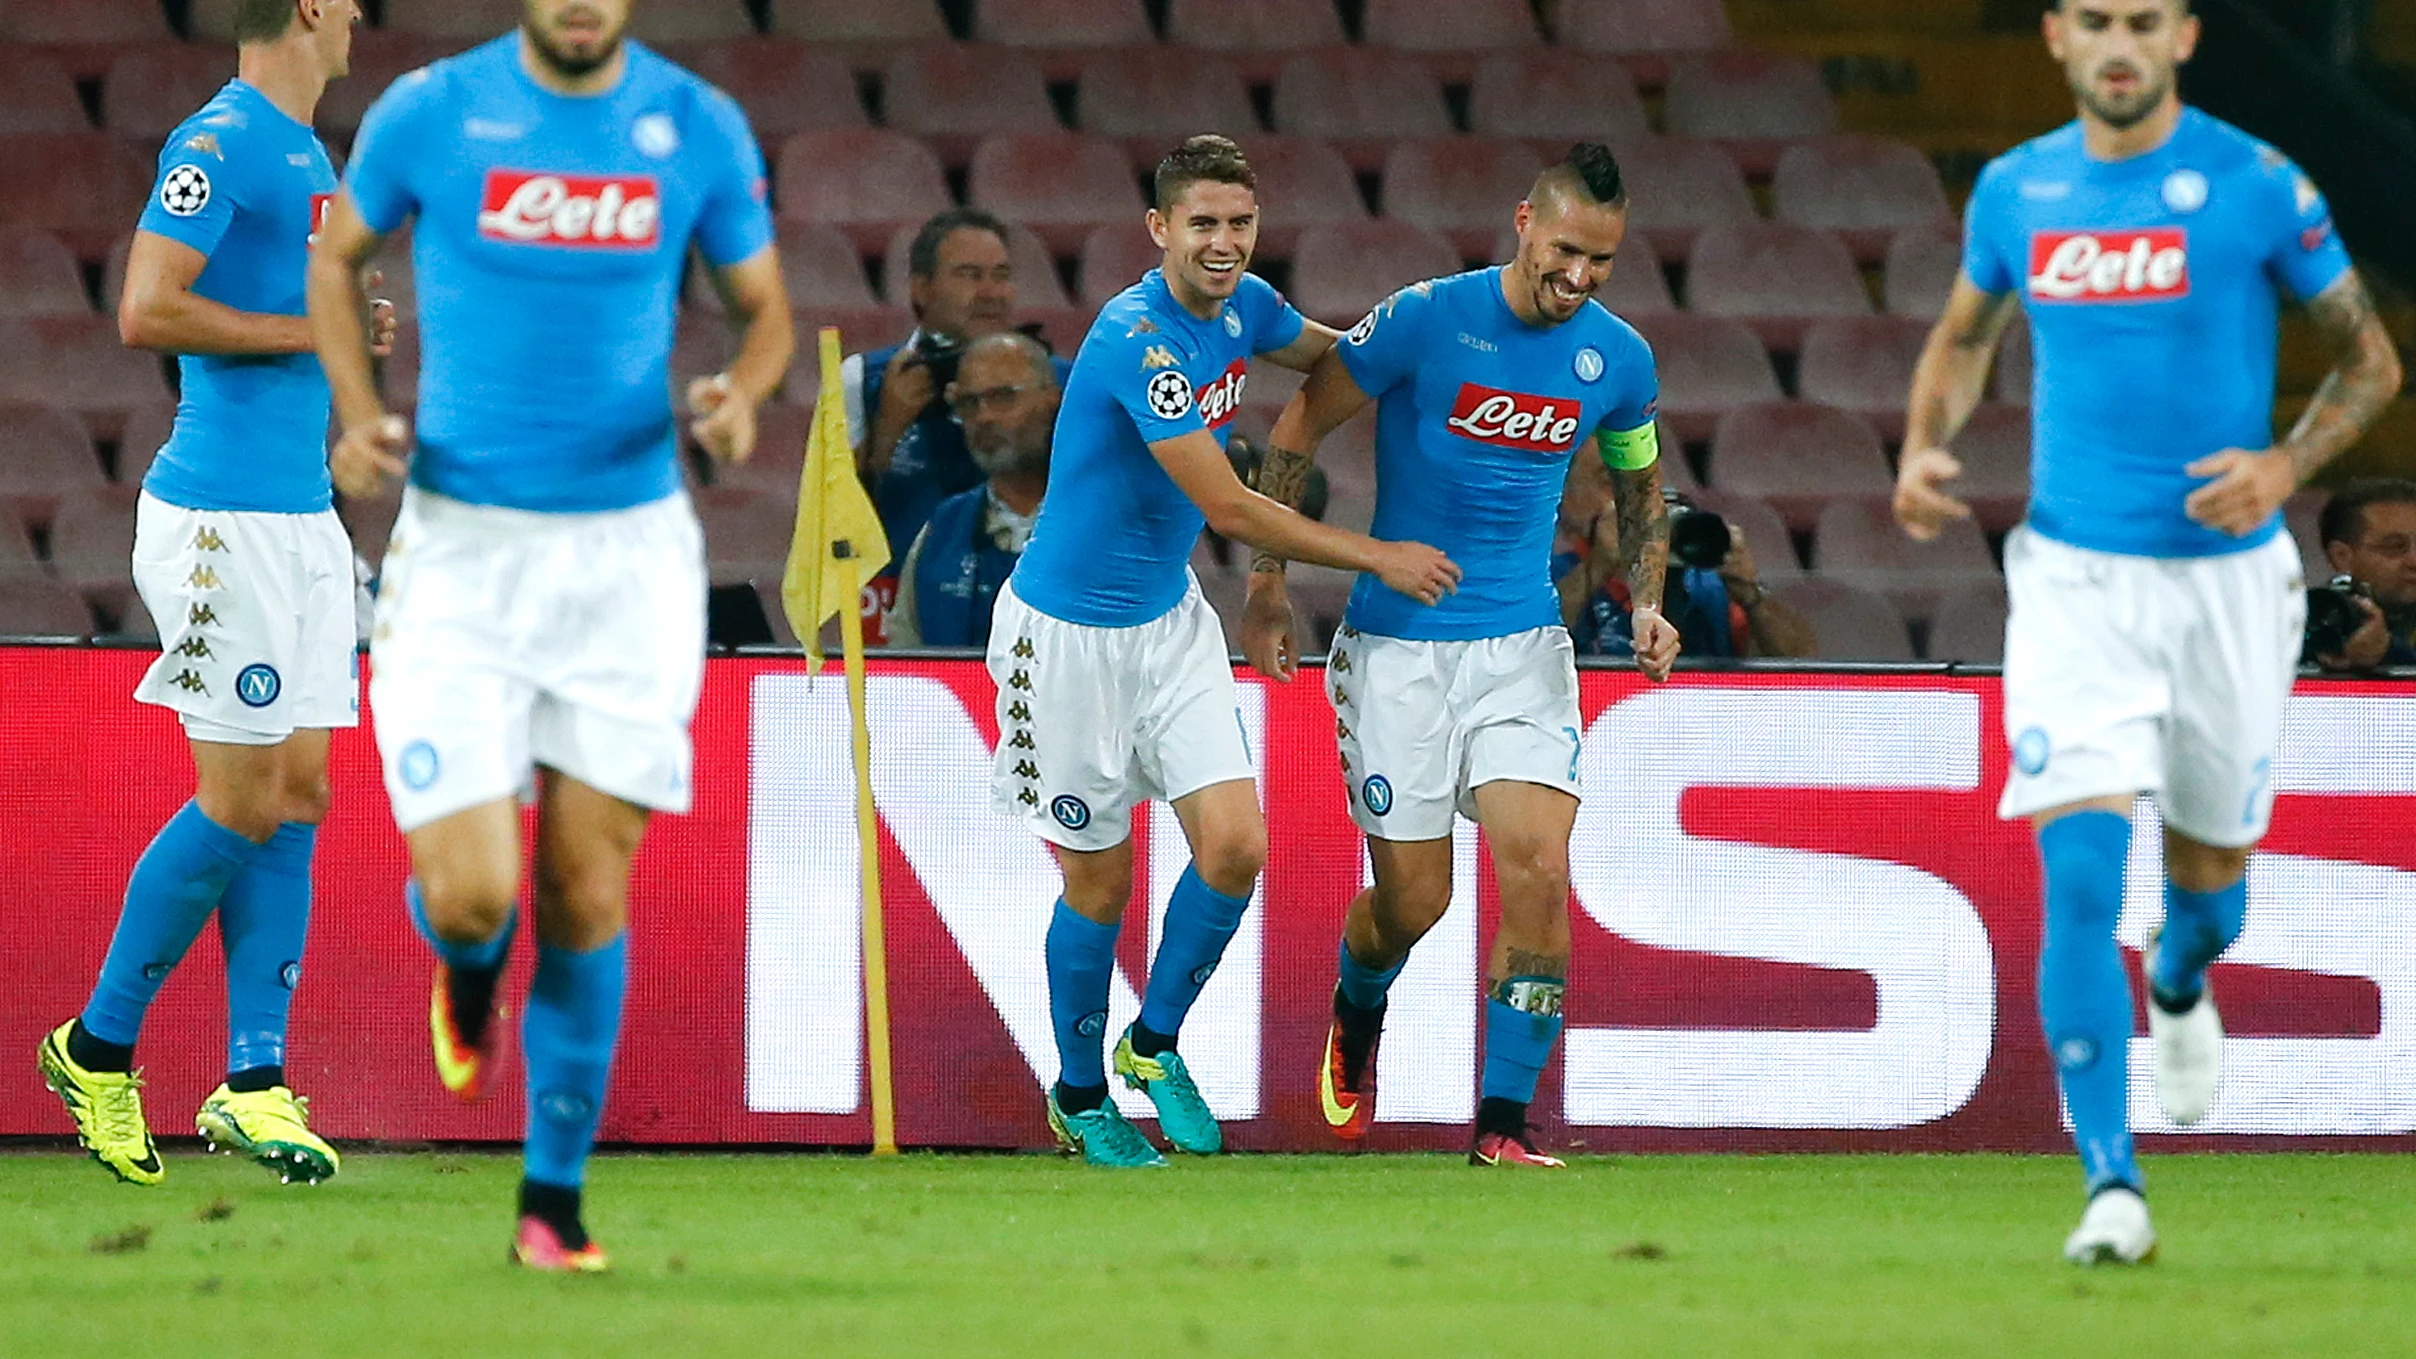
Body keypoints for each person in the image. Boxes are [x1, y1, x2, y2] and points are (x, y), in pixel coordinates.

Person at [1894, 0, 2401, 1264]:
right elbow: (1962, 334)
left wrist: (2287, 466)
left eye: (2142, 20)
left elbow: (2370, 362)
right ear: (2058, 36)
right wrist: (1921, 443)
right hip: (2075, 582)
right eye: (2095, 20)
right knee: (2075, 877)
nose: (2117, 43)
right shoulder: (2017, 190)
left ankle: (2181, 977)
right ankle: (2109, 1186)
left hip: (2229, 589)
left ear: (2180, 36)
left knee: (2209, 901)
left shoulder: (2257, 183)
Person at [307, 0, 791, 1270]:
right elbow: (335, 256)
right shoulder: (430, 110)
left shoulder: (694, 124)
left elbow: (765, 313)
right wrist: (354, 411)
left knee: (585, 889)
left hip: (627, 560)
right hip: (462, 551)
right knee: (477, 894)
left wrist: (739, 394)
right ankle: (468, 965)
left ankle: (551, 1201)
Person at [996, 134, 1459, 1168]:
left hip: (1167, 627)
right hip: (1062, 645)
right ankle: (1077, 1096)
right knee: (1098, 889)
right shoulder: (1136, 341)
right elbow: (1227, 503)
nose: (1222, 243)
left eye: (1238, 225)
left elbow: (1336, 355)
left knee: (1237, 847)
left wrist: (1438, 360)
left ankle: (1152, 1047)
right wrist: (1372, 553)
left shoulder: (1246, 305)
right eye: (1201, 224)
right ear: (1158, 229)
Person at [1241, 143, 1676, 1167]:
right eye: (1565, 250)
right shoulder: (1425, 317)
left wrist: (1647, 600)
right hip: (1396, 652)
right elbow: (1301, 420)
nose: (1579, 278)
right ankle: (1360, 1002)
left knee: (1535, 869)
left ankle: (1501, 1126)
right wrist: (1265, 585)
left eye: (1602, 262)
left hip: (1522, 645)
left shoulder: (1617, 359)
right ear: (1524, 220)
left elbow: (1639, 489)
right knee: (1415, 904)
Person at [38, 0, 372, 1190]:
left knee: (299, 794)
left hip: (300, 520)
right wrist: (306, 329)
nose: (360, 11)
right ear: (304, 7)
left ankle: (254, 1082)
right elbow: (145, 309)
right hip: (220, 520)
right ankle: (96, 1049)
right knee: (236, 805)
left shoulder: (307, 146)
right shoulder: (218, 141)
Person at [845, 208, 1070, 636]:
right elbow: (830, 526)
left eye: (1000, 275)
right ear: (921, 288)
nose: (990, 292)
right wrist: (887, 433)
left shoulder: (1065, 383)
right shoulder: (864, 381)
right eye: (970, 275)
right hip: (907, 606)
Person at [888, 333, 1057, 649]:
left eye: (1003, 397)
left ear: (1052, 401)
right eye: (968, 403)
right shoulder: (940, 531)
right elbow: (904, 663)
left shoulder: (1104, 526)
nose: (984, 417)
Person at [1556, 479, 1816, 660]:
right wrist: (1600, 566)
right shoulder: (1551, 577)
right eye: (1609, 480)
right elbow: (1525, 652)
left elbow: (1802, 665)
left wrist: (1751, 594)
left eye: (1643, 481)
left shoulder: (1708, 583)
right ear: (1569, 503)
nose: (1632, 495)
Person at [2309, 478, 2416, 670]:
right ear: (2341, 556)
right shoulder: (2300, 622)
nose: (2414, 560)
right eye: (2394, 547)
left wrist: (2388, 653)